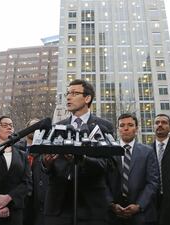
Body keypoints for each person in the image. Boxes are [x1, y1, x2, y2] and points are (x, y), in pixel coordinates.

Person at [42, 79, 115, 225]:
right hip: (58, 206)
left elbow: (108, 164)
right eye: (67, 93)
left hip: (92, 206)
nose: (68, 97)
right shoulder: (56, 127)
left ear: (87, 98)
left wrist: (81, 159)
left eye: (74, 93)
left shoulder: (104, 127)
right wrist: (46, 163)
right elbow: (45, 165)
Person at [107, 113, 159, 225]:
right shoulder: (109, 151)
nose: (126, 128)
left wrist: (139, 206)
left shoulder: (148, 151)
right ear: (118, 129)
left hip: (142, 215)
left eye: (130, 125)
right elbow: (102, 181)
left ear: (136, 128)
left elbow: (153, 182)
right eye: (122, 125)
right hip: (113, 215)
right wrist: (111, 204)